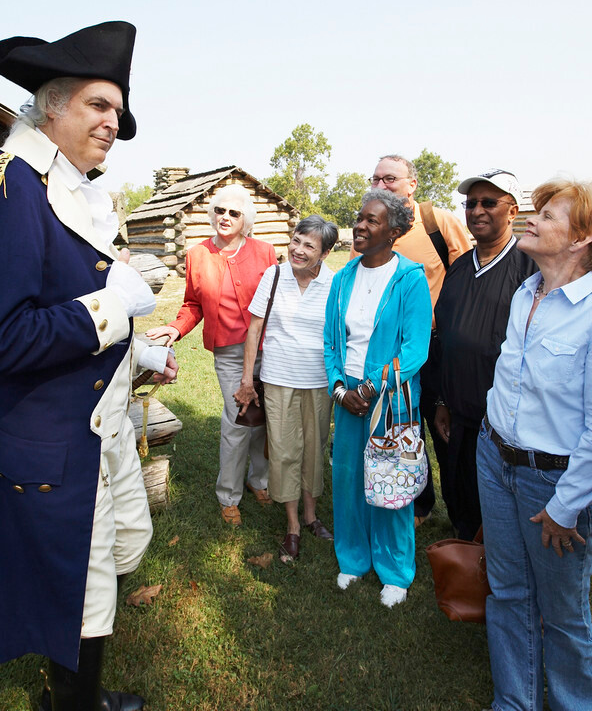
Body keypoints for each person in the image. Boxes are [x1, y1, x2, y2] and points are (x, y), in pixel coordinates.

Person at [0, 22, 177, 711]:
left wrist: (138, 348)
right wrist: (112, 309)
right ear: (50, 107)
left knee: (109, 559)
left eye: (117, 109)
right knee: (81, 581)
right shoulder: (9, 190)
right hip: (49, 437)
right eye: (97, 105)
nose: (114, 121)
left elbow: (61, 304)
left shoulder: (68, 188)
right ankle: (73, 705)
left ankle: (79, 696)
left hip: (94, 426)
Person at [478, 178, 592, 711]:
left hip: (554, 483)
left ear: (582, 237)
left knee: (564, 613)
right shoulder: (527, 291)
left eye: (549, 215)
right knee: (507, 593)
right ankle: (515, 702)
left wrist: (565, 507)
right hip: (495, 459)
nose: (534, 218)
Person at [324, 189, 432, 607]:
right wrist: (340, 389)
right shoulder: (343, 277)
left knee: (388, 479)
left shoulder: (409, 278)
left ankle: (395, 570)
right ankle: (352, 560)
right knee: (349, 477)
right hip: (347, 393)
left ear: (396, 231)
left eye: (372, 220)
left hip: (390, 397)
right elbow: (331, 342)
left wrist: (369, 387)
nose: (360, 226)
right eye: (360, 218)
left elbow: (415, 348)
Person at [146, 185, 277, 526]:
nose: (225, 217)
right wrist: (175, 329)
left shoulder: (265, 252)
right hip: (230, 353)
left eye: (234, 213)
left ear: (245, 220)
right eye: (220, 210)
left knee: (263, 421)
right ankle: (228, 495)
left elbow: (279, 300)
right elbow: (192, 304)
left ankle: (258, 480)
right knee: (237, 420)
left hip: (268, 348)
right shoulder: (197, 255)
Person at [420, 169, 536, 541]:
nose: (478, 210)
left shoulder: (530, 269)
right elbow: (444, 339)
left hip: (503, 420)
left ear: (513, 211)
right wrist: (441, 400)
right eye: (471, 203)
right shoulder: (458, 269)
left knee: (498, 508)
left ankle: (493, 568)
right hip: (457, 411)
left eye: (489, 202)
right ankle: (466, 557)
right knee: (460, 493)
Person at [366, 155, 472, 525]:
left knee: (446, 432)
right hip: (390, 352)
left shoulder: (435, 222)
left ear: (411, 185)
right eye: (375, 179)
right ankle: (420, 504)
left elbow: (467, 273)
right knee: (406, 428)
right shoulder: (372, 227)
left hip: (437, 348)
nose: (380, 185)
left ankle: (462, 517)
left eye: (390, 178)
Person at [232, 215, 339, 562]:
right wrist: (248, 380)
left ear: (324, 253)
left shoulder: (334, 283)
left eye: (309, 245)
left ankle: (311, 516)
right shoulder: (274, 275)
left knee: (313, 448)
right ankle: (292, 525)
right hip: (278, 379)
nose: (298, 249)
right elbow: (254, 328)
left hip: (319, 381)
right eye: (296, 240)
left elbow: (340, 334)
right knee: (284, 450)